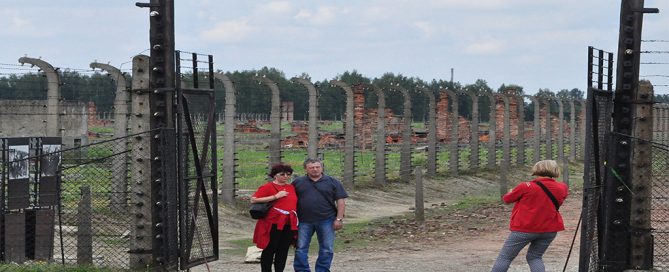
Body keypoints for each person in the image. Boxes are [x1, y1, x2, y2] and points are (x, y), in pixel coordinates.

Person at [491, 160, 569, 272]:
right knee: (535, 257)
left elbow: (507, 199)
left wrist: (512, 191)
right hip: (549, 229)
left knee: (505, 257)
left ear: (537, 170)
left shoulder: (525, 186)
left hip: (524, 228)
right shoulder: (562, 187)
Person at [293, 158, 349, 272]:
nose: (315, 170)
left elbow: (341, 201)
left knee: (327, 249)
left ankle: (322, 270)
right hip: (303, 221)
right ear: (306, 169)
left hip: (326, 220)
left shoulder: (333, 182)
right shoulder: (298, 182)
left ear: (322, 168)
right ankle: (302, 270)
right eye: (311, 167)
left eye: (317, 167)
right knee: (301, 248)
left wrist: (339, 219)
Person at [251, 163, 298, 272]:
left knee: (283, 249)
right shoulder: (268, 186)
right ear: (275, 175)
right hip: (273, 222)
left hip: (289, 222)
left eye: (288, 174)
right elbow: (253, 199)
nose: (285, 176)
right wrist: (275, 196)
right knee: (270, 248)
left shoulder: (291, 187)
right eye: (282, 174)